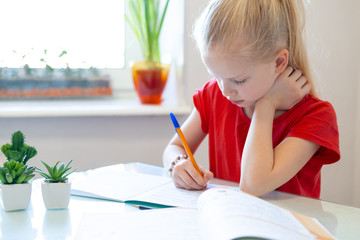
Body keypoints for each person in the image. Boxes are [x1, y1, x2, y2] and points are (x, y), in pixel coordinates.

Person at [163, 0, 340, 198]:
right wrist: (177, 164)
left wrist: (266, 105)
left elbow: (254, 185)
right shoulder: (215, 94)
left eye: (239, 80)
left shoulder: (315, 116)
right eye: (217, 76)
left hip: (287, 227)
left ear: (279, 62)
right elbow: (175, 147)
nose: (226, 91)